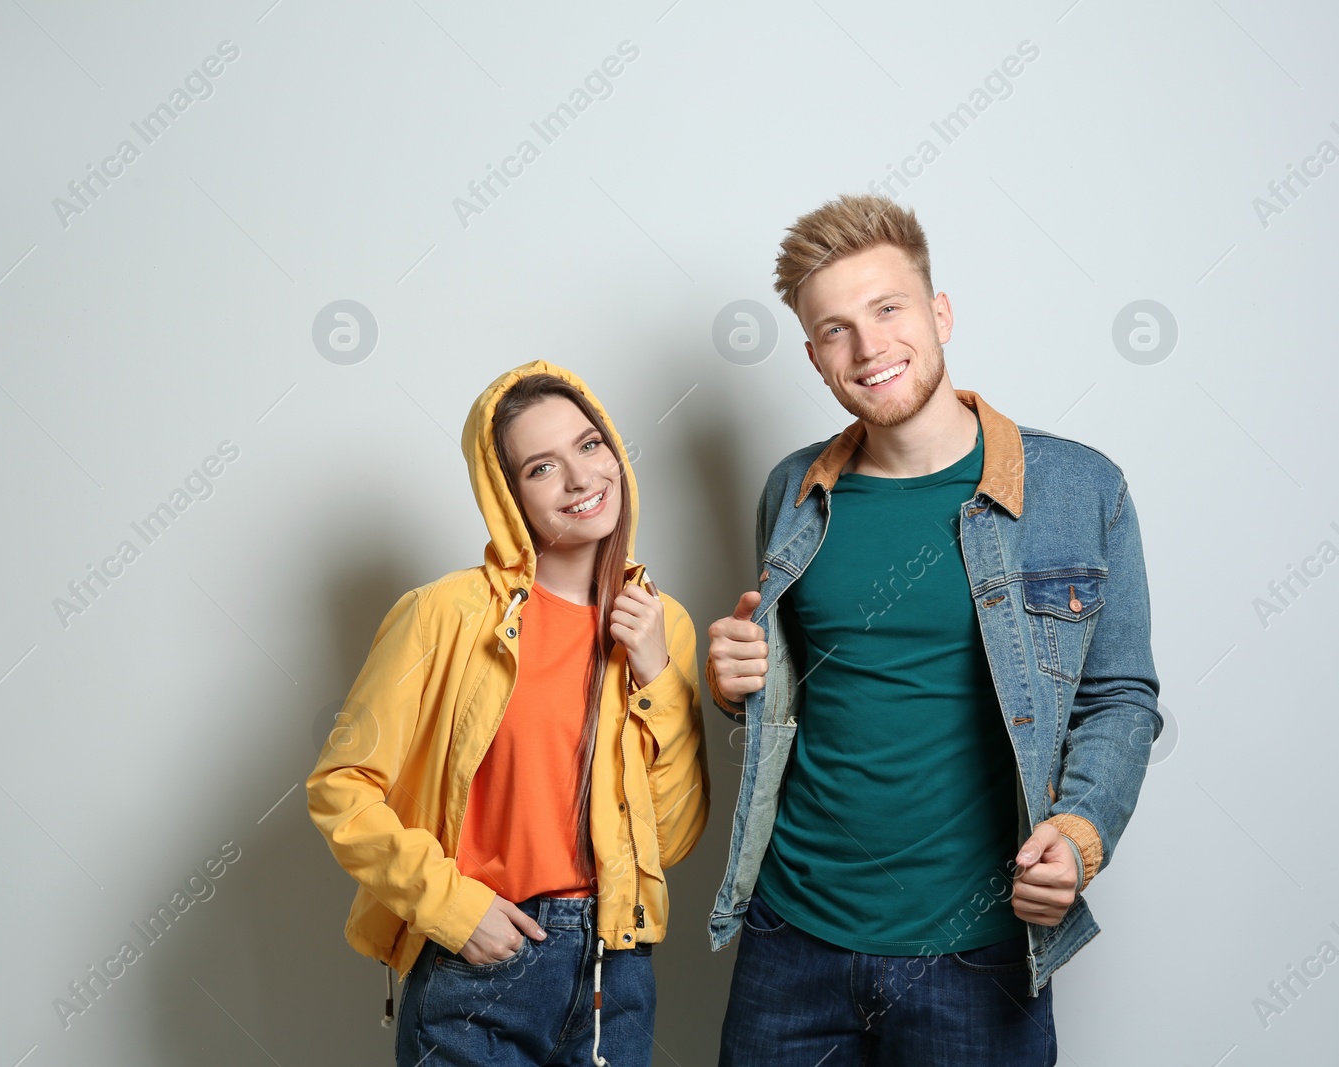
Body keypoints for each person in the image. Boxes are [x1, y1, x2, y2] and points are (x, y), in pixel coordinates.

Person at [705, 194, 1161, 1066]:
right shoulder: (792, 490)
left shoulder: (1078, 490)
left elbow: (1120, 696)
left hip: (981, 953)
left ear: (938, 311)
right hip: (792, 934)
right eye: (835, 330)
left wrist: (1080, 830)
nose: (869, 347)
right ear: (813, 356)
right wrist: (735, 684)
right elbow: (789, 689)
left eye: (888, 309)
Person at [308, 359, 710, 1067]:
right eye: (541, 468)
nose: (582, 478)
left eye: (589, 445)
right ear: (507, 496)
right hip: (480, 966)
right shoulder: (443, 614)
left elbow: (671, 839)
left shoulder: (663, 622)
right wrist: (453, 909)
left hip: (615, 968)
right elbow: (342, 786)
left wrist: (657, 674)